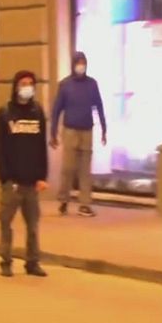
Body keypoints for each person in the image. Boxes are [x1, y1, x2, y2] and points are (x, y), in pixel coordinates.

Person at [0, 70, 48, 278]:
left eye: (30, 83)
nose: (27, 87)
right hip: (12, 181)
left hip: (31, 181)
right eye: (23, 83)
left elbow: (41, 146)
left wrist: (42, 176)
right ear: (16, 86)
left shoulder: (37, 112)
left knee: (33, 225)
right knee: (6, 222)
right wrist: (5, 177)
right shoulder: (6, 113)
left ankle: (32, 262)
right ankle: (6, 261)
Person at [50, 51, 106, 218]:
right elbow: (56, 109)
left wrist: (104, 128)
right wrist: (53, 132)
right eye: (78, 62)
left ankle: (85, 204)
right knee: (68, 168)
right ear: (73, 64)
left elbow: (99, 106)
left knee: (85, 170)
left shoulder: (92, 84)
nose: (81, 66)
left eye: (83, 62)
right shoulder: (65, 85)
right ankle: (64, 200)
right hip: (70, 130)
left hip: (87, 130)